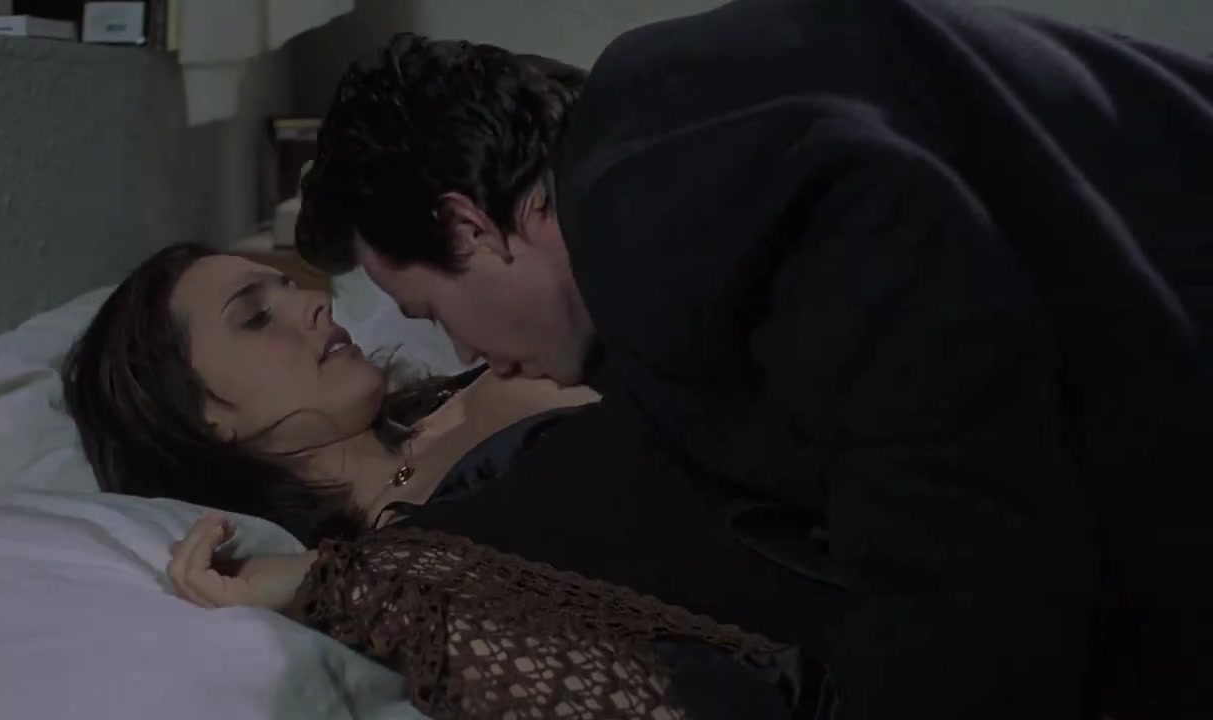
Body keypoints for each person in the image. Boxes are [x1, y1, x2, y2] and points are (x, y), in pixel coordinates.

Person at [294, 2, 1213, 718]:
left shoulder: (652, 195)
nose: (465, 351)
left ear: (469, 225)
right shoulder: (670, 122)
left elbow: (960, 510)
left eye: (431, 311)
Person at [62, 242, 835, 718]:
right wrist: (325, 589)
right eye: (255, 316)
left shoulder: (490, 367)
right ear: (203, 419)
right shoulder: (388, 576)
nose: (315, 302)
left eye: (291, 286)